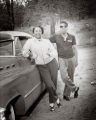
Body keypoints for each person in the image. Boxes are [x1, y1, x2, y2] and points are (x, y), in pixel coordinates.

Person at [22, 26, 61, 111]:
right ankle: (56, 98)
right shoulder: (30, 42)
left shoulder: (46, 41)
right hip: (41, 66)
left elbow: (54, 51)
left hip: (52, 63)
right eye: (36, 31)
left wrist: (51, 55)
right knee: (49, 85)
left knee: (54, 83)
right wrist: (31, 55)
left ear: (42, 32)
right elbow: (24, 52)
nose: (38, 32)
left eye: (39, 31)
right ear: (33, 33)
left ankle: (51, 103)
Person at [50, 21, 79, 101]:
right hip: (62, 59)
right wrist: (56, 33)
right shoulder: (57, 36)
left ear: (66, 27)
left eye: (63, 26)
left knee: (70, 76)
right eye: (60, 27)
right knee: (64, 77)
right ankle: (75, 88)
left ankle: (66, 94)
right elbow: (48, 40)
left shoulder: (72, 36)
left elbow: (75, 49)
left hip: (71, 58)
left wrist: (76, 59)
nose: (62, 28)